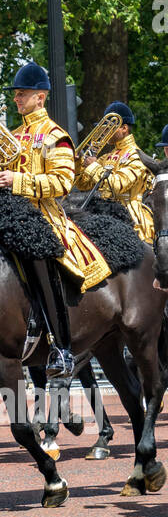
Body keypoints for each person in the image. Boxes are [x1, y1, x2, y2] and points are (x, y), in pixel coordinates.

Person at [0, 62, 111, 378]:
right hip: (10, 216)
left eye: (22, 94)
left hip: (44, 218)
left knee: (39, 257)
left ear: (41, 97)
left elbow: (63, 183)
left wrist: (16, 181)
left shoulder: (55, 136)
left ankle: (61, 349)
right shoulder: (13, 136)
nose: (16, 100)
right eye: (16, 95)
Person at [74, 101, 154, 242]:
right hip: (107, 216)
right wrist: (78, 162)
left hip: (132, 221)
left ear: (124, 128)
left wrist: (93, 166)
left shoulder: (136, 156)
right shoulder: (108, 156)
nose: (105, 132)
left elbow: (117, 186)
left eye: (109, 128)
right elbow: (82, 184)